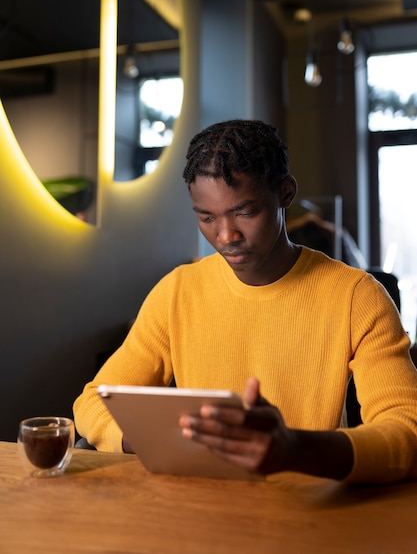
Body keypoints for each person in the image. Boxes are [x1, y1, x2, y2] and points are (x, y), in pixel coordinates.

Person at [73, 119, 417, 484]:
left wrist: (293, 449)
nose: (225, 236)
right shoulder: (177, 292)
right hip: (201, 511)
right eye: (207, 217)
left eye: (244, 212)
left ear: (285, 193)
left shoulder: (356, 296)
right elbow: (94, 402)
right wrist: (160, 442)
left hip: (309, 513)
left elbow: (407, 432)